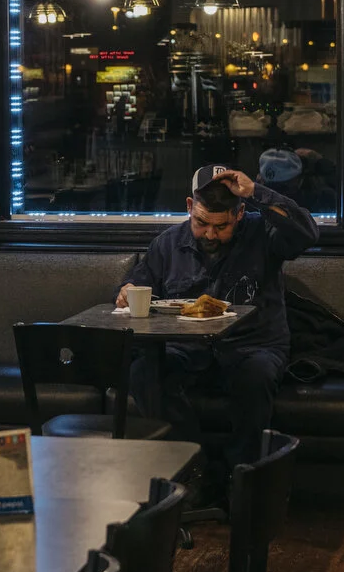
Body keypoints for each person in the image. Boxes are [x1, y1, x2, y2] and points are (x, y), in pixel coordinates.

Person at [116, 164, 318, 494]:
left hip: (253, 346)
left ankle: (239, 480)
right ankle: (194, 469)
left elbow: (306, 233)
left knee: (255, 377)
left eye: (220, 226)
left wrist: (256, 194)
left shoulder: (263, 235)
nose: (210, 234)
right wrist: (127, 291)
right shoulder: (168, 244)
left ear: (239, 214)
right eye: (201, 223)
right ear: (188, 207)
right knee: (143, 372)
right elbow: (138, 284)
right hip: (187, 350)